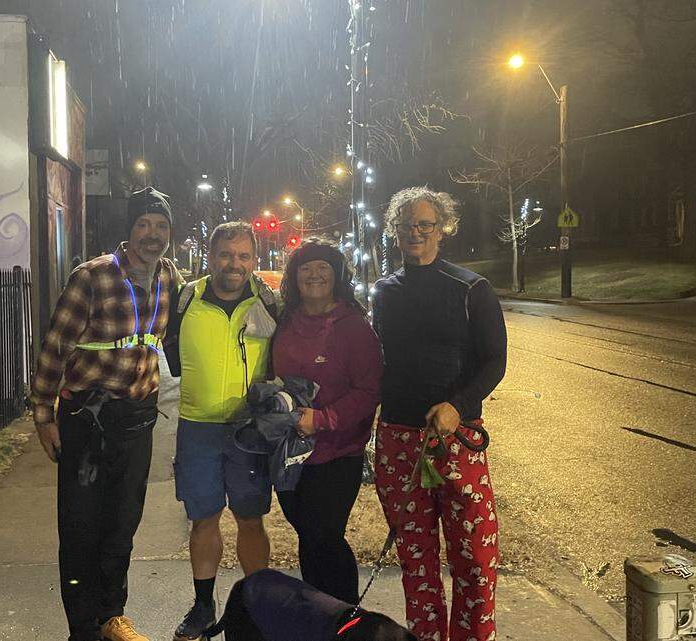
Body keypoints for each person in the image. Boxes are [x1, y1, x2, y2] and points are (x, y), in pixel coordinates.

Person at [29, 187, 180, 641]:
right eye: (143, 224)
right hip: (87, 420)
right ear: (129, 229)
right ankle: (82, 628)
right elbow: (56, 346)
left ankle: (112, 614)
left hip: (137, 420)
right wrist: (43, 414)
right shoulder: (92, 277)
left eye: (161, 226)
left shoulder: (169, 277)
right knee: (81, 527)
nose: (152, 234)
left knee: (122, 524)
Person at [371, 186, 508, 641]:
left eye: (425, 224)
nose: (415, 232)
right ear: (394, 231)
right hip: (398, 440)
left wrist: (458, 406)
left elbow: (495, 361)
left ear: (442, 228)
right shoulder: (384, 292)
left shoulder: (472, 289)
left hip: (455, 439)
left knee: (475, 560)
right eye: (406, 225)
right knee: (416, 562)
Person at [165, 221, 280, 641]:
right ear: (210, 256)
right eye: (226, 255)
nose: (235, 264)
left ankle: (259, 606)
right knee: (203, 519)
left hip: (249, 430)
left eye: (244, 256)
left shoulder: (268, 301)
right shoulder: (185, 299)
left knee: (250, 518)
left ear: (255, 259)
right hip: (197, 427)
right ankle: (203, 607)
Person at [271, 238, 382, 604]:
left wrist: (322, 419)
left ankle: (345, 617)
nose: (314, 274)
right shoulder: (284, 320)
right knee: (307, 536)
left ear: (337, 276)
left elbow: (369, 391)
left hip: (336, 453)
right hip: (289, 452)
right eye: (306, 267)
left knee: (325, 536)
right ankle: (317, 616)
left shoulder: (354, 328)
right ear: (294, 276)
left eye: (323, 267)